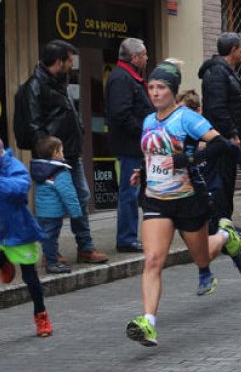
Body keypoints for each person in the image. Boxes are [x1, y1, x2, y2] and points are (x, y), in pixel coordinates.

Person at [125, 60, 241, 347]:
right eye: (151, 87)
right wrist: (142, 173)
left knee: (202, 257)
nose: (155, 93)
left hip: (188, 200)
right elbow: (155, 156)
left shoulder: (187, 119)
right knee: (153, 260)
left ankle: (225, 236)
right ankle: (148, 322)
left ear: (172, 90)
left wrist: (186, 159)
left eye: (161, 88)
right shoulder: (147, 121)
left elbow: (221, 145)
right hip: (157, 200)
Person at [13, 39, 108, 266]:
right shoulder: (36, 86)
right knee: (51, 208)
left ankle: (85, 248)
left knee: (80, 197)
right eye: (69, 59)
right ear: (59, 61)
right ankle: (51, 253)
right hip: (53, 159)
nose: (71, 64)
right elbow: (35, 126)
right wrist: (50, 157)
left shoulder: (57, 81)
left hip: (68, 154)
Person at [0, 129, 52, 337]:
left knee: (30, 277)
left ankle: (41, 314)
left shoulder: (12, 165)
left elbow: (21, 189)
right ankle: (2, 259)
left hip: (19, 230)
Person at [198, 32, 241, 221]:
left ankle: (226, 224)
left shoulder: (226, 71)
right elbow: (217, 108)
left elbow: (226, 101)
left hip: (225, 138)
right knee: (222, 182)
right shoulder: (217, 72)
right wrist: (232, 134)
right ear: (233, 50)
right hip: (221, 139)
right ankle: (221, 225)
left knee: (228, 180)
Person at [105, 37, 153, 253]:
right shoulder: (122, 78)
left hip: (135, 145)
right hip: (129, 146)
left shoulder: (128, 77)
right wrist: (143, 131)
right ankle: (126, 238)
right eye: (144, 54)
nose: (146, 58)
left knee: (138, 192)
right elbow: (121, 114)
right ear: (134, 58)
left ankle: (140, 234)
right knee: (130, 192)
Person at [30, 136, 84, 275]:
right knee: (51, 239)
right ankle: (52, 263)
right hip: (53, 213)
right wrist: (76, 212)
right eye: (62, 151)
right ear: (55, 153)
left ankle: (49, 259)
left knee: (47, 237)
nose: (63, 154)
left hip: (41, 212)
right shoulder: (59, 172)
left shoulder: (40, 170)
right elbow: (68, 194)